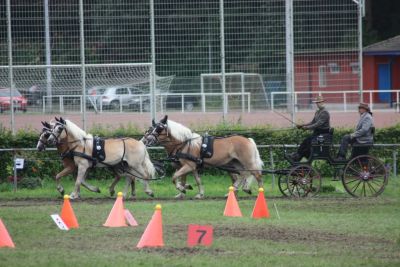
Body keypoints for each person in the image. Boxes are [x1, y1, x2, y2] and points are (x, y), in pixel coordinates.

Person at [289, 95, 330, 162]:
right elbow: (312, 122)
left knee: (308, 142)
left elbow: (317, 124)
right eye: (317, 102)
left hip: (322, 134)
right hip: (317, 133)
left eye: (319, 102)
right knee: (305, 141)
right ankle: (298, 155)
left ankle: (299, 156)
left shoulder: (325, 112)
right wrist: (302, 125)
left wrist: (306, 128)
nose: (318, 104)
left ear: (323, 102)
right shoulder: (317, 112)